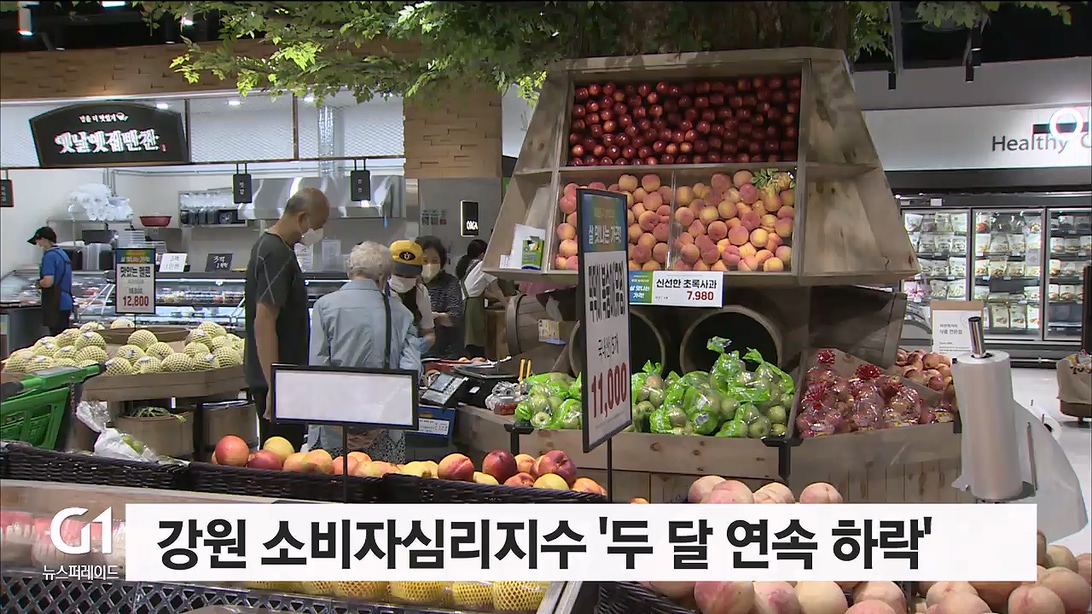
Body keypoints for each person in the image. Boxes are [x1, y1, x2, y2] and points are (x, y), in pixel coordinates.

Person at [308, 241, 421, 462]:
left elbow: (318, 371)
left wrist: (339, 430)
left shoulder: (324, 307)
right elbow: (411, 375)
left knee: (331, 487)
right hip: (385, 430)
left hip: (332, 433)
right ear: (384, 278)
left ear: (350, 271)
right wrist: (378, 428)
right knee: (381, 488)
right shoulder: (401, 313)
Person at [244, 187, 330, 450]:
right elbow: (265, 320)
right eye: (319, 225)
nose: (319, 232)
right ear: (303, 218)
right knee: (282, 456)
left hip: (281, 376)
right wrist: (275, 384)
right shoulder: (276, 253)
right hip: (279, 378)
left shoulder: (271, 246)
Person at [416, 236, 465, 359]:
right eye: (425, 260)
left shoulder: (450, 282)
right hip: (417, 351)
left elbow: (455, 317)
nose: (430, 265)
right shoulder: (412, 283)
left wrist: (431, 317)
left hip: (447, 351)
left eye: (434, 260)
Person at [461, 240, 508, 358]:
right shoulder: (484, 265)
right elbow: (496, 288)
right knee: (476, 340)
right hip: (473, 306)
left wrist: (499, 300)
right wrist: (508, 305)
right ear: (483, 255)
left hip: (466, 303)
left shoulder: (470, 264)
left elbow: (483, 291)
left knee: (471, 339)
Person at [388, 240, 436, 354]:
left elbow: (429, 332)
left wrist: (423, 344)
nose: (404, 278)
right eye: (399, 274)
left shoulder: (420, 292)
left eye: (410, 276)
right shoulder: (379, 291)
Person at [28, 226, 73, 336]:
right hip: (66, 301)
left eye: (38, 241)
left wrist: (39, 284)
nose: (38, 244)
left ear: (43, 239)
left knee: (56, 339)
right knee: (63, 338)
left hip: (56, 303)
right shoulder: (62, 254)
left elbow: (48, 282)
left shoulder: (49, 256)